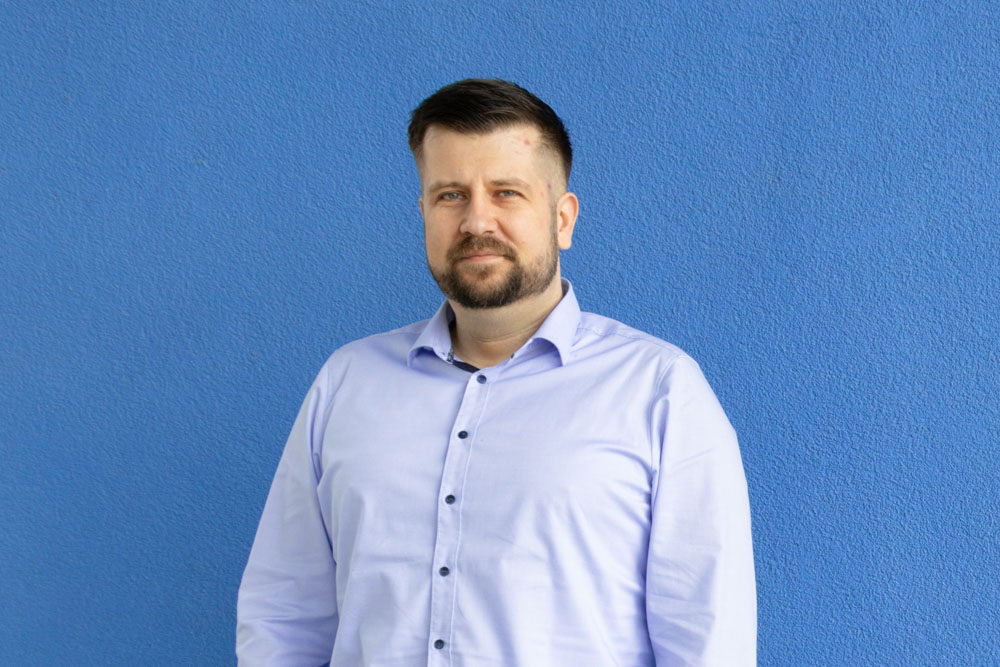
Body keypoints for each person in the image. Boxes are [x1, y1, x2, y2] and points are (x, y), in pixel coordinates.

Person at [236, 78, 756, 666]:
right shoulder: (347, 383)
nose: (476, 221)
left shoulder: (659, 391)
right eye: (450, 195)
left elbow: (709, 640)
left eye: (506, 192)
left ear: (563, 219)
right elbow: (282, 618)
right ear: (424, 213)